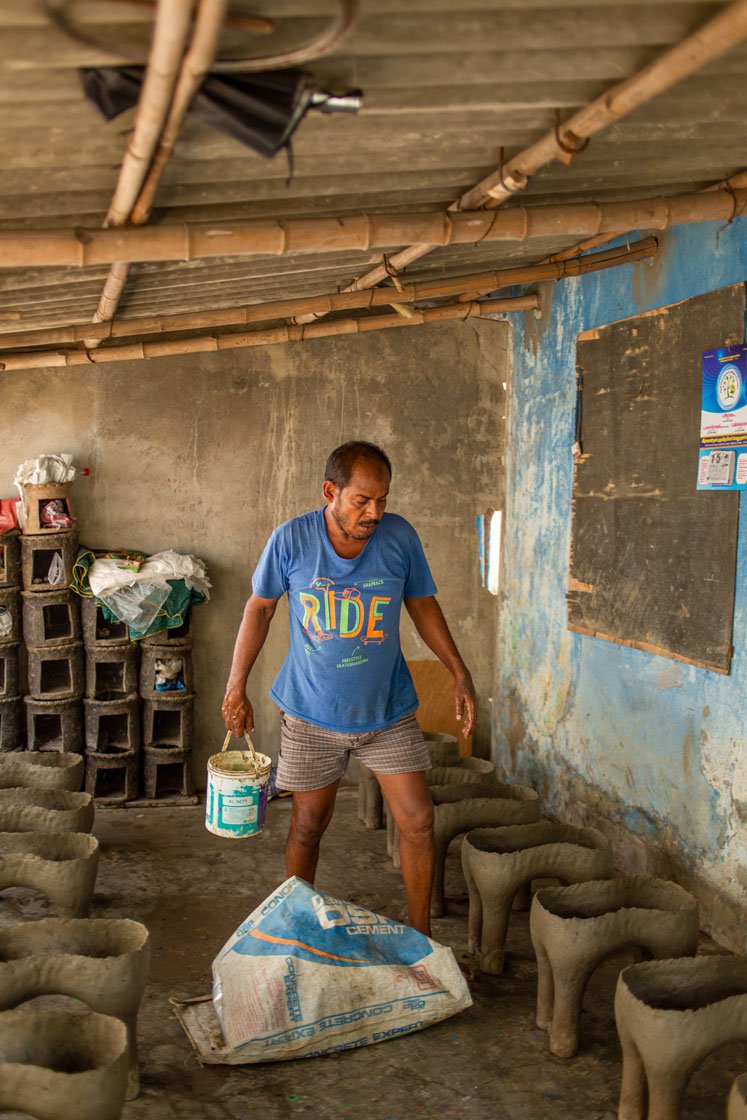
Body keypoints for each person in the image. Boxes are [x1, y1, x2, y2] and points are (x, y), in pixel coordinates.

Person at [222, 440, 476, 937]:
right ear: (330, 491)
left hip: (387, 713)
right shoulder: (292, 540)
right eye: (362, 500)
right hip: (312, 714)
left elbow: (422, 605)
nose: (374, 512)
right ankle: (296, 935)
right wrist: (236, 687)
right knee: (307, 826)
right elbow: (260, 608)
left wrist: (459, 671)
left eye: (382, 499)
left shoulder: (399, 538)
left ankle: (421, 938)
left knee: (420, 823)